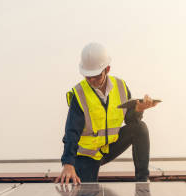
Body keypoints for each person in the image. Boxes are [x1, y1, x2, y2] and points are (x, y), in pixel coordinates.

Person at [55, 42, 158, 184]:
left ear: (107, 69)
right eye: (87, 76)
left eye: (96, 76)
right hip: (86, 155)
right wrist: (68, 164)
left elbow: (129, 120)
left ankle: (143, 181)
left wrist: (138, 110)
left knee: (140, 128)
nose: (91, 80)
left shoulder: (121, 87)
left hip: (109, 147)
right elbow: (71, 131)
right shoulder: (79, 94)